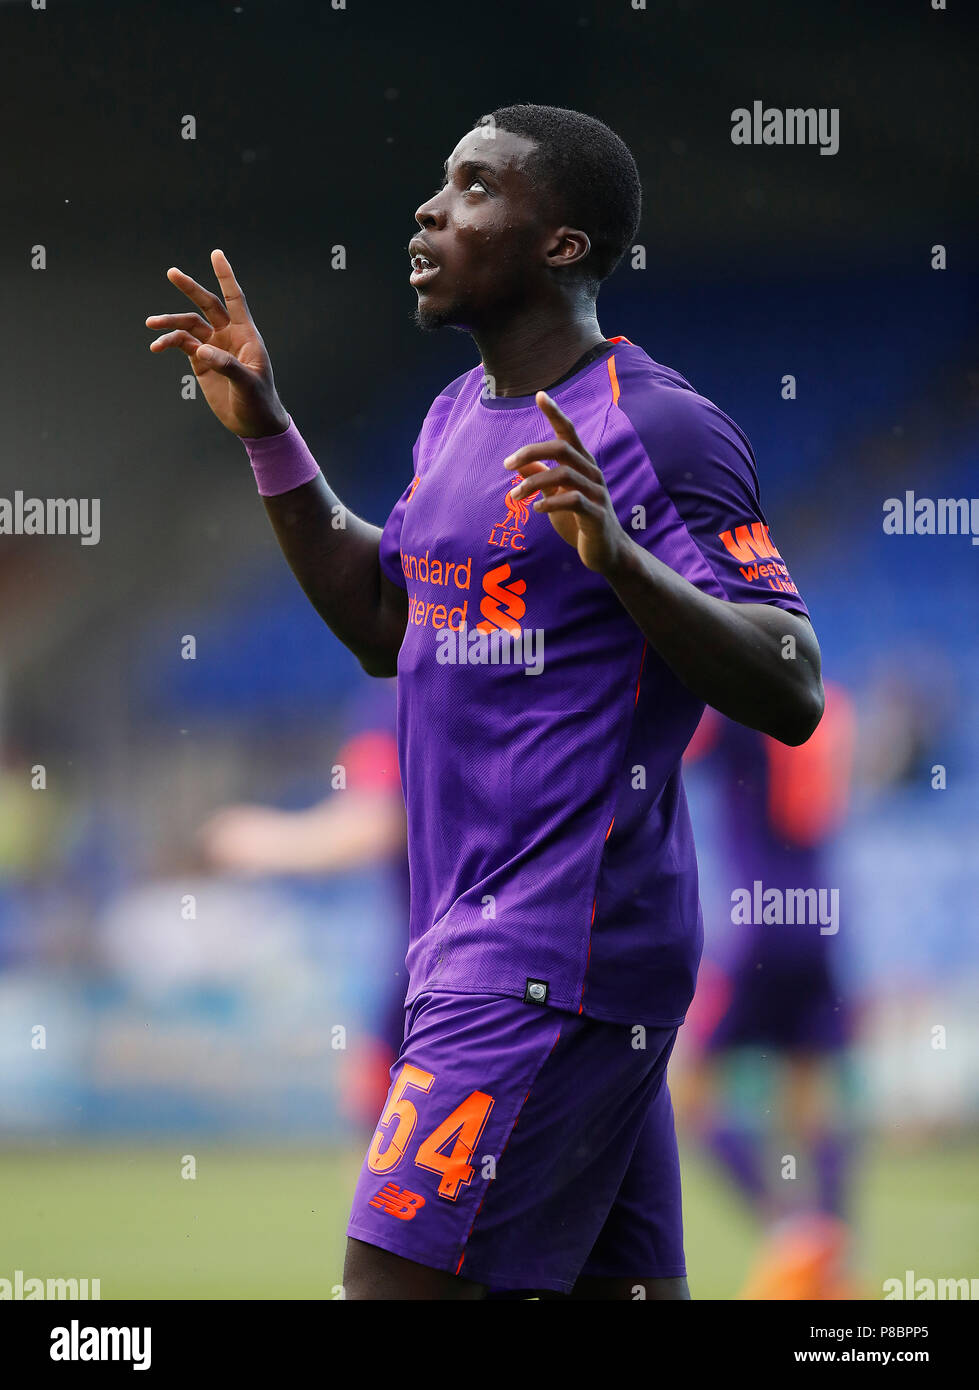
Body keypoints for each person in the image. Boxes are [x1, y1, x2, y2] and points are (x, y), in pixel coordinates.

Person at [146, 103, 823, 1301]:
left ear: (561, 243)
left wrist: (621, 557)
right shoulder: (456, 416)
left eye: (471, 188)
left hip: (546, 958)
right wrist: (271, 436)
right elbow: (384, 627)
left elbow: (791, 681)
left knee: (392, 1286)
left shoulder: (656, 426)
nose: (426, 210)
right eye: (437, 186)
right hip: (493, 952)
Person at [681, 686, 859, 1298]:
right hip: (820, 913)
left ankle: (793, 1234)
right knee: (812, 1097)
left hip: (758, 921)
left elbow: (673, 747)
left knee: (689, 1094)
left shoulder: (741, 697)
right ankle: (833, 1258)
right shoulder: (828, 700)